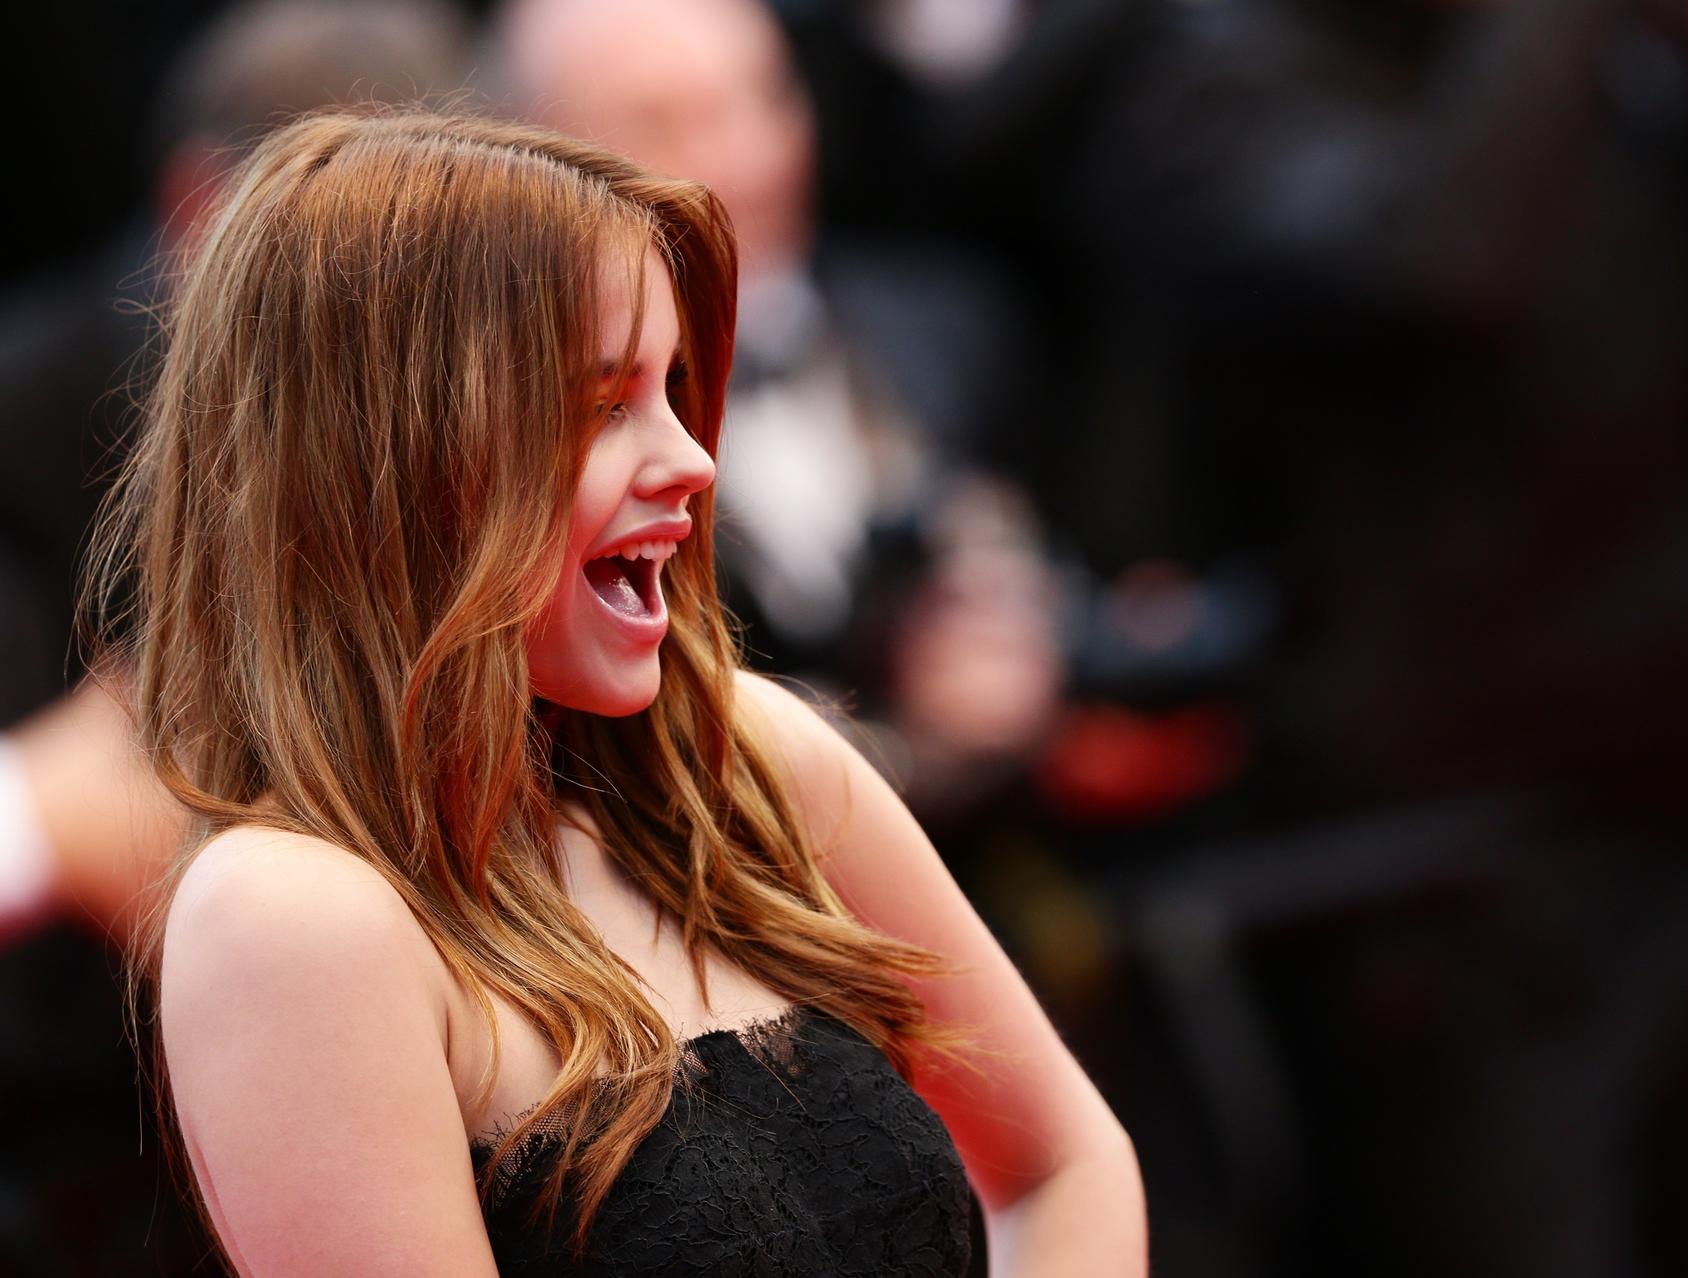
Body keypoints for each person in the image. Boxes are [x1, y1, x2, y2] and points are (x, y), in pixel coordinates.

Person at [87, 106, 1144, 1274]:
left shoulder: (749, 758)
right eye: (603, 406)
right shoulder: (291, 917)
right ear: (389, 459)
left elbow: (1066, 1163)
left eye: (673, 388)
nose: (692, 459)